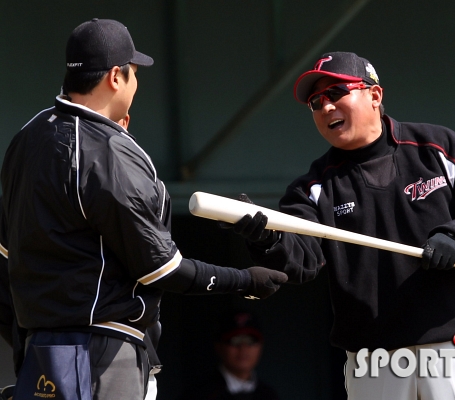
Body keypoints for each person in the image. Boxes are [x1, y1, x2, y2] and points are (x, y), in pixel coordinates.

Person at [0, 18, 287, 400]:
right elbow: (162, 269)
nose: (136, 82)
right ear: (115, 77)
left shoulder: (26, 138)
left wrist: (26, 344)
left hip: (42, 350)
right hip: (102, 348)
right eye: (134, 72)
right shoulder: (110, 150)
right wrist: (246, 281)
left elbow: (7, 256)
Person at [226, 51, 455, 399]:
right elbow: (301, 257)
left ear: (375, 95)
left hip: (453, 348)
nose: (325, 107)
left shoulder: (438, 148)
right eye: (315, 102)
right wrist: (266, 237)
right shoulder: (312, 187)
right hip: (373, 358)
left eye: (336, 93)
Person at [189, 310, 280, 400]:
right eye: (235, 341)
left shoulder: (269, 395)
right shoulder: (200, 395)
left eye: (251, 341)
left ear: (261, 346)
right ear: (219, 346)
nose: (243, 348)